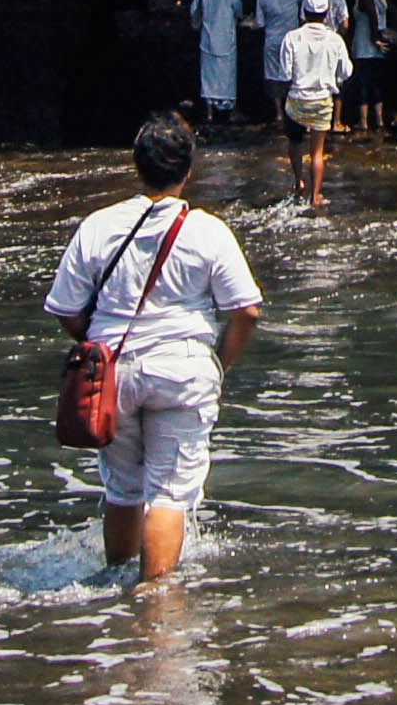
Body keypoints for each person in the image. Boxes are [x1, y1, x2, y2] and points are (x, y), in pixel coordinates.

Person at [42, 114, 263, 585]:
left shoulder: (98, 226)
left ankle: (114, 592)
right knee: (169, 494)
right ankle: (154, 602)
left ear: (136, 166)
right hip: (183, 368)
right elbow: (246, 310)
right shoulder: (209, 231)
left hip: (114, 370)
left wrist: (96, 347)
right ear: (189, 170)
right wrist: (219, 364)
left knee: (123, 489)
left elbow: (65, 308)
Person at [275, 0, 355, 207]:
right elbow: (347, 71)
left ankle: (298, 181)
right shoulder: (335, 40)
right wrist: (334, 78)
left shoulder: (291, 37)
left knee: (295, 143)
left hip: (296, 99)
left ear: (304, 12)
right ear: (327, 13)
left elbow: (285, 75)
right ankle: (316, 196)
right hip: (322, 100)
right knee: (317, 152)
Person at [245, 0, 302, 126]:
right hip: (293, 40)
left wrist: (248, 23)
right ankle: (293, 110)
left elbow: (259, 23)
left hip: (272, 41)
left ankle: (278, 113)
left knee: (273, 75)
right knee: (294, 73)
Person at [341, 0, 395, 131]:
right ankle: (379, 119)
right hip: (378, 48)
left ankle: (363, 121)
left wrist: (375, 37)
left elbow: (372, 16)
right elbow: (393, 12)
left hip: (365, 45)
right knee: (375, 83)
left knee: (364, 84)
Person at [188, 0, 242, 123]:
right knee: (227, 76)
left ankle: (210, 112)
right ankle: (230, 112)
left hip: (207, 39)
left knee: (208, 77)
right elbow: (239, 13)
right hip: (226, 40)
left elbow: (194, 11)